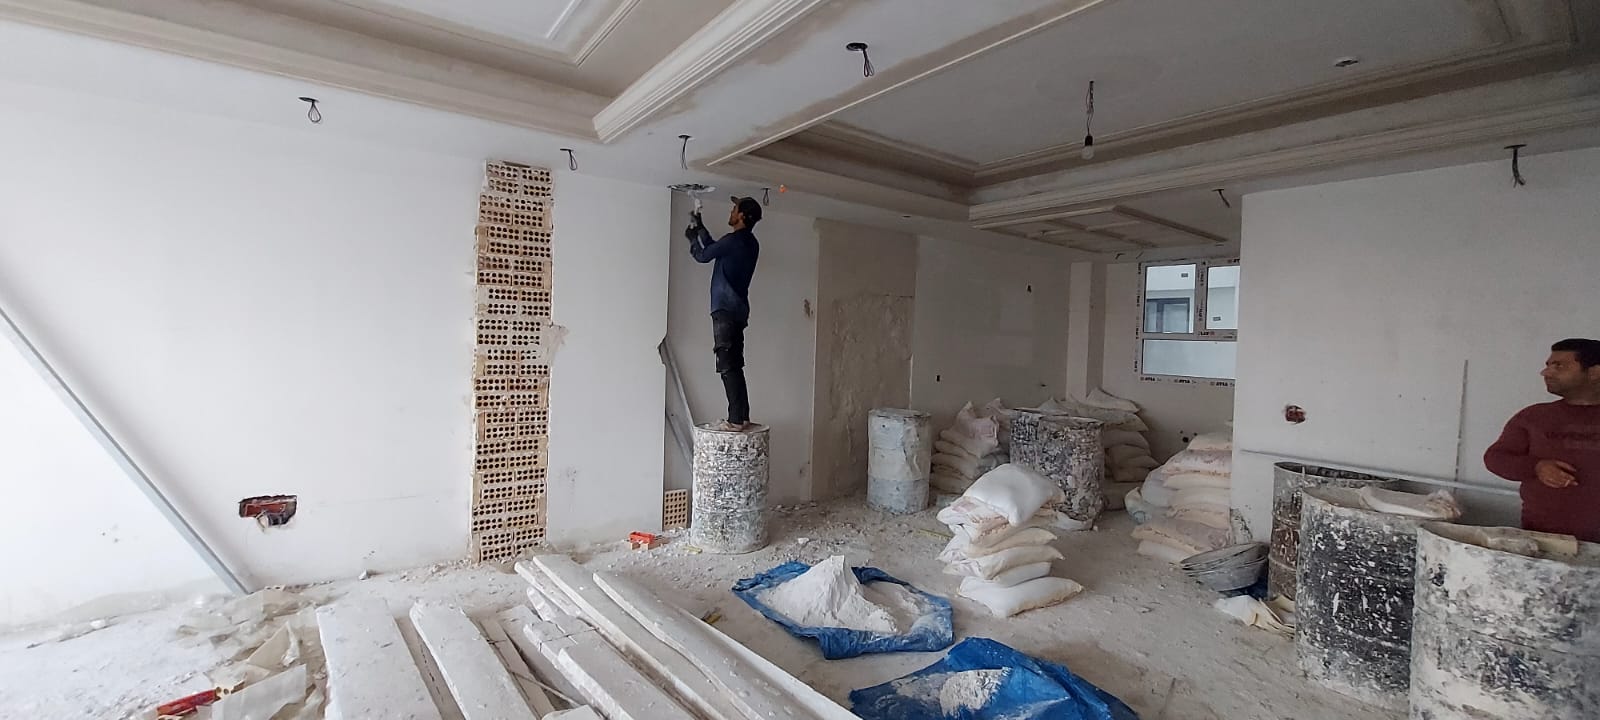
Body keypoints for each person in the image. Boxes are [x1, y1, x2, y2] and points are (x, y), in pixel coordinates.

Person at [1484, 338, 1600, 542]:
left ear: (1594, 372)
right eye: (1548, 366)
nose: (1546, 373)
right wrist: (1536, 467)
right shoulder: (1534, 417)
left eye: (1559, 366)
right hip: (1542, 539)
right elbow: (1495, 458)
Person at [685, 196, 762, 431]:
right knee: (735, 364)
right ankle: (742, 416)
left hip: (725, 310)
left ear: (741, 216)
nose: (731, 211)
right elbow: (715, 248)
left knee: (727, 364)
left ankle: (735, 420)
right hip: (738, 310)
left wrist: (692, 240)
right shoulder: (750, 243)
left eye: (734, 209)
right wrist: (699, 226)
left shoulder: (733, 241)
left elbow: (704, 254)